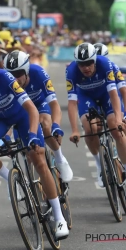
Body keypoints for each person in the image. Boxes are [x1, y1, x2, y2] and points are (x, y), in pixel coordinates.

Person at [0, 49, 69, 239]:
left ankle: (59, 216)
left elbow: (32, 110)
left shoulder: (5, 77)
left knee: (38, 159)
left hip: (23, 116)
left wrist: (33, 136)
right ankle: (13, 181)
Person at [3, 50, 73, 183]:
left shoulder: (39, 73)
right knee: (29, 153)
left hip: (40, 104)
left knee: (46, 125)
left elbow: (54, 105)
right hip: (21, 111)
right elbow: (6, 114)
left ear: (27, 71)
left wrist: (56, 126)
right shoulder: (6, 82)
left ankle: (60, 159)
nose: (15, 79)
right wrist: (6, 137)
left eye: (18, 74)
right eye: (11, 75)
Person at [67, 42, 126, 187]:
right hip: (87, 97)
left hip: (106, 95)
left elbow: (116, 94)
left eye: (89, 63)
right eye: (81, 64)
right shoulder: (71, 71)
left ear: (95, 60)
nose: (85, 67)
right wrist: (75, 129)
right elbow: (72, 103)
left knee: (116, 128)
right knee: (90, 129)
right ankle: (100, 164)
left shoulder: (105, 64)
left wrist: (119, 119)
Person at [93, 43, 126, 118]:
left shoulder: (113, 66)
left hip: (109, 92)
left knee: (119, 90)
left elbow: (123, 90)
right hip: (95, 92)